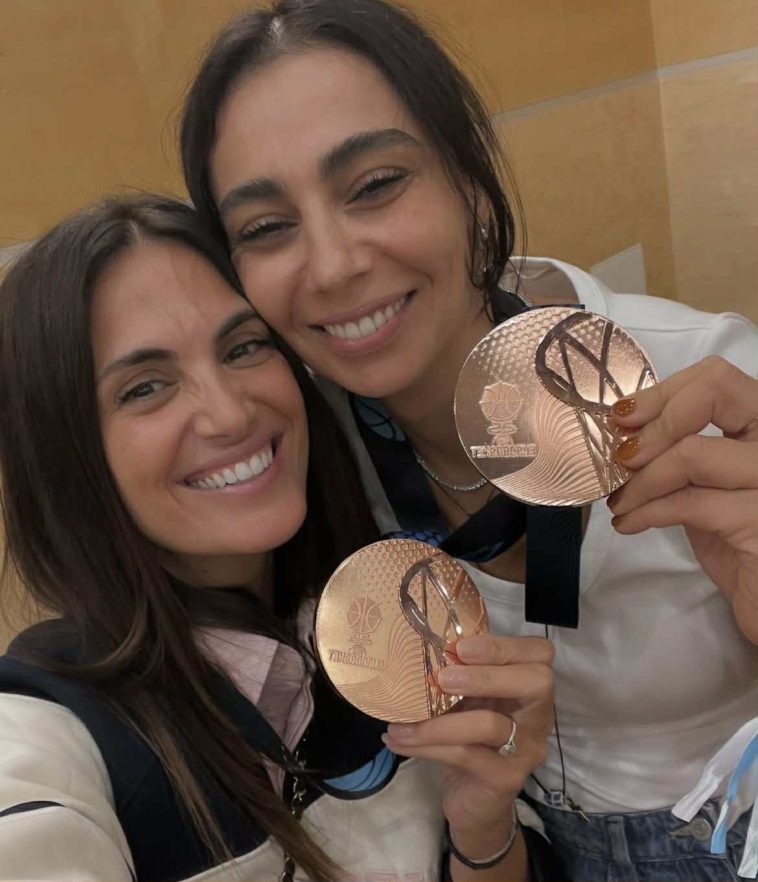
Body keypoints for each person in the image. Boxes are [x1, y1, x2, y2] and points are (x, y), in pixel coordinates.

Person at [178, 1, 758, 879]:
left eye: (375, 184)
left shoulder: (702, 385)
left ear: (472, 186)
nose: (332, 265)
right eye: (265, 228)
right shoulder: (301, 465)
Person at [0, 195, 556, 881]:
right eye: (144, 388)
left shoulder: (390, 611)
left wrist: (483, 824)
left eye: (243, 347)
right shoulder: (55, 728)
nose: (230, 414)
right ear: (64, 457)